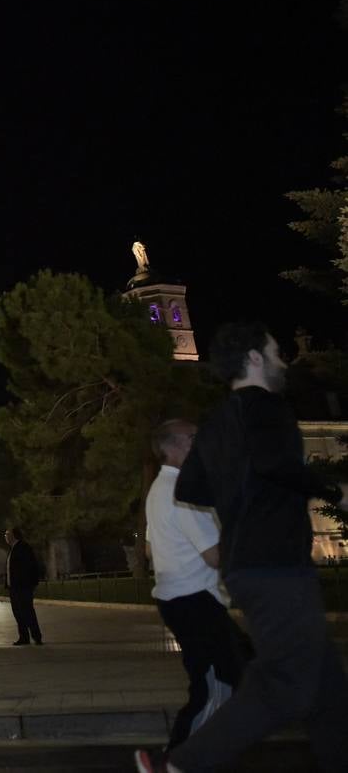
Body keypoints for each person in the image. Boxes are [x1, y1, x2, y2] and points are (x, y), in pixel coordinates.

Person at [136, 323, 348, 773]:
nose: (282, 361)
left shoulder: (215, 423)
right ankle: (180, 764)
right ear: (254, 359)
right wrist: (335, 493)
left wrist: (238, 496)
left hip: (247, 565)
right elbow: (277, 464)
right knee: (284, 686)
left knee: (329, 690)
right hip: (276, 563)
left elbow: (192, 485)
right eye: (275, 352)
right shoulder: (268, 408)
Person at [144, 419, 247, 752]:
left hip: (184, 600)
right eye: (193, 438)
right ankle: (176, 759)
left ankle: (212, 750)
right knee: (218, 685)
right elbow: (215, 556)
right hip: (195, 602)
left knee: (246, 668)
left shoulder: (158, 489)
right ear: (172, 446)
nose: (201, 444)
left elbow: (149, 548)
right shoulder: (185, 491)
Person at [4, 527, 42, 645]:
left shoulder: (23, 548)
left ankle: (36, 636)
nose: (5, 536)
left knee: (27, 611)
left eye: (7, 534)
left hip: (22, 587)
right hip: (14, 588)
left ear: (13, 535)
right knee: (18, 613)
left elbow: (31, 566)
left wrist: (31, 583)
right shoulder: (13, 549)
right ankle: (24, 637)